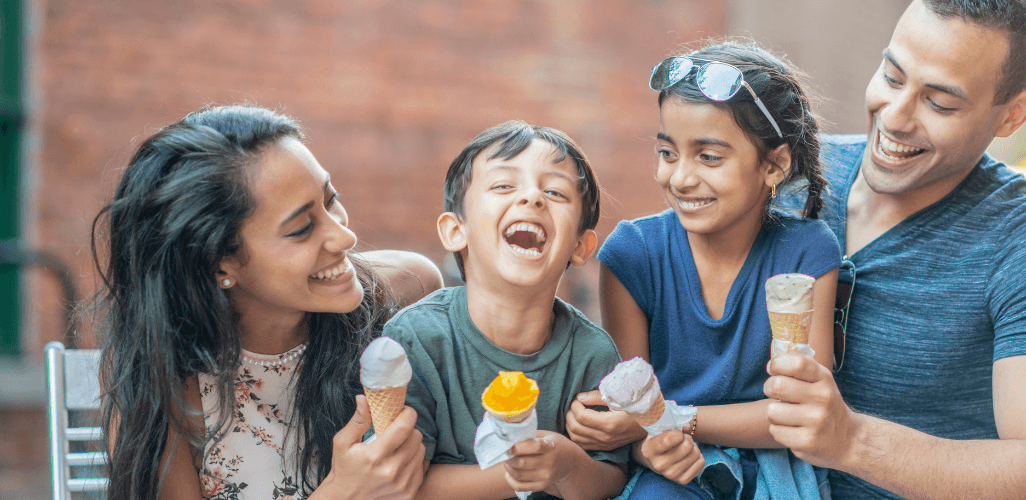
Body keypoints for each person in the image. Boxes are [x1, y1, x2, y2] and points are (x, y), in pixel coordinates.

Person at [765, 1, 1026, 499]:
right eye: (892, 75)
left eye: (940, 103)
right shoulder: (787, 183)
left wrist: (853, 441)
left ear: (1012, 115)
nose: (896, 117)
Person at [91, 104, 442, 499]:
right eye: (302, 228)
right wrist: (342, 493)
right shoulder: (167, 385)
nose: (344, 237)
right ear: (219, 262)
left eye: (331, 199)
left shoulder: (404, 293)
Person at [568, 41, 840, 499]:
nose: (680, 178)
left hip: (778, 474)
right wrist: (646, 446)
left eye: (708, 157)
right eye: (668, 153)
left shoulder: (806, 253)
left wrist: (667, 419)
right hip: (670, 469)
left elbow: (799, 411)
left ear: (773, 165)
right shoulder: (633, 254)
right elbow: (628, 410)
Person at [384, 120, 629, 500]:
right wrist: (524, 474)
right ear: (455, 231)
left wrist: (568, 465)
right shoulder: (414, 340)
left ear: (581, 246)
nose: (532, 198)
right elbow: (397, 484)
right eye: (503, 185)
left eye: (554, 191)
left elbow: (612, 478)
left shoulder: (592, 353)